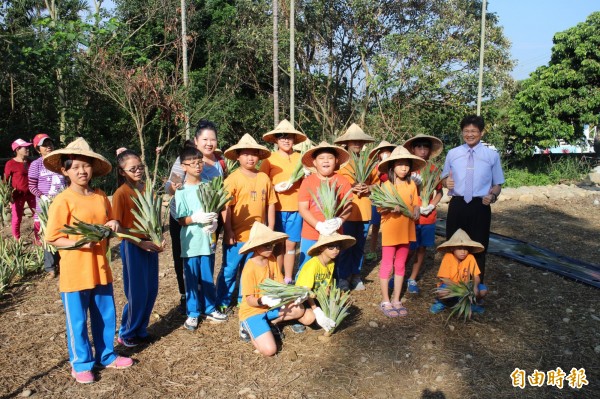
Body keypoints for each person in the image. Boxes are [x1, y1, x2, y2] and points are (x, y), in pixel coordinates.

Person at [44, 138, 133, 384]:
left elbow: (111, 221)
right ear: (65, 170)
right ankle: (81, 363)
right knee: (78, 320)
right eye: (75, 167)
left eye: (86, 166)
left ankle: (106, 355)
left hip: (100, 267)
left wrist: (113, 223)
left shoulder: (100, 196)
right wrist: (79, 243)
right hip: (75, 271)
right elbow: (52, 237)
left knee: (105, 314)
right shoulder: (63, 200)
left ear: (92, 168)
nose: (82, 171)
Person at [165, 120, 228, 313]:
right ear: (196, 140)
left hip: (208, 220)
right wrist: (174, 187)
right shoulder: (185, 159)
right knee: (183, 255)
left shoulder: (219, 164)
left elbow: (217, 193)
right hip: (183, 218)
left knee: (207, 254)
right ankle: (187, 294)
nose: (209, 143)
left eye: (213, 139)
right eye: (205, 139)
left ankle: (205, 295)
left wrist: (216, 219)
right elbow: (170, 187)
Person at [216, 134, 276, 311]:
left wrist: (270, 230)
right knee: (230, 270)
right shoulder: (232, 179)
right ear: (238, 157)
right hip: (237, 236)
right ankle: (223, 301)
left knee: (250, 270)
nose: (250, 158)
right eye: (246, 154)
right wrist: (228, 231)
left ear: (259, 156)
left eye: (254, 154)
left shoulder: (264, 178)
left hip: (258, 238)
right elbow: (225, 207)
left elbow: (271, 204)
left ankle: (245, 299)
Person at [441, 115, 504, 282]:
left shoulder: (491, 156)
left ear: (481, 133)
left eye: (474, 131)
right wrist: (446, 181)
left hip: (480, 206)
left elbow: (498, 184)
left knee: (479, 247)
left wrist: (492, 195)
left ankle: (474, 292)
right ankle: (451, 291)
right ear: (462, 132)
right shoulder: (453, 153)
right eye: (466, 131)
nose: (470, 134)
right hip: (458, 204)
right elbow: (443, 178)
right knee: (453, 246)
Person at [112, 148, 162, 346]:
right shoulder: (121, 194)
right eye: (133, 169)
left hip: (150, 245)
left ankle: (141, 329)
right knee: (136, 291)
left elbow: (155, 219)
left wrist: (158, 240)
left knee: (151, 289)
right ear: (122, 171)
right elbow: (118, 229)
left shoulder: (146, 188)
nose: (138, 171)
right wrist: (140, 242)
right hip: (133, 246)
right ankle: (127, 332)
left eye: (140, 167)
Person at [175, 146, 227, 330]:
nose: (198, 166)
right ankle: (192, 312)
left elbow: (215, 209)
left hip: (207, 240)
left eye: (200, 162)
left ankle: (210, 307)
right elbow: (181, 220)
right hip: (190, 243)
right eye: (193, 163)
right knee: (191, 277)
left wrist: (213, 223)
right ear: (183, 166)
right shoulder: (181, 191)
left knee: (207, 275)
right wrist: (195, 218)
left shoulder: (209, 185)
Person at [238, 222, 307, 356]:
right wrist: (263, 300)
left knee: (299, 309)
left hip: (271, 306)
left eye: (271, 243)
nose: (270, 247)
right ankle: (245, 326)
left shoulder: (272, 258)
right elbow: (250, 300)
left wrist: (294, 293)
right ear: (256, 247)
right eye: (266, 244)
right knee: (270, 350)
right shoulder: (249, 269)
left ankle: (269, 323)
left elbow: (280, 283)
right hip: (253, 311)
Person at [376, 146, 424, 317]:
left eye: (407, 165)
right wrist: (390, 209)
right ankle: (385, 300)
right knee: (387, 264)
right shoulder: (386, 185)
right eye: (400, 164)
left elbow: (416, 202)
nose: (404, 168)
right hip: (390, 230)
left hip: (406, 229)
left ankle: (396, 298)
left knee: (401, 264)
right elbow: (380, 209)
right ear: (392, 166)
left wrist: (417, 208)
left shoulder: (411, 184)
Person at [260, 120, 308, 283]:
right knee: (278, 245)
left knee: (291, 245)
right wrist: (274, 187)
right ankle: (277, 276)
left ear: (294, 139)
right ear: (276, 140)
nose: (286, 140)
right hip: (277, 209)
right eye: (281, 137)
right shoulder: (269, 160)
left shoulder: (301, 159)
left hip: (296, 208)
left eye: (289, 137)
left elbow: (306, 183)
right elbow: (261, 183)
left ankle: (288, 277)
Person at [297, 142, 353, 272]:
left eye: (330, 158)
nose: (326, 161)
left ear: (336, 161)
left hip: (334, 234)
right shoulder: (308, 182)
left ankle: (328, 291)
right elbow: (303, 208)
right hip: (311, 234)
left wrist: (339, 221)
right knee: (306, 267)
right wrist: (318, 225)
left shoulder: (342, 181)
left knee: (331, 269)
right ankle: (304, 291)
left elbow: (349, 205)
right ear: (314, 162)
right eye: (321, 158)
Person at [334, 123, 377, 291]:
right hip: (346, 210)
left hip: (365, 210)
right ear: (346, 143)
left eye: (359, 141)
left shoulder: (368, 161)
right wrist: (350, 187)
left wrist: (368, 188)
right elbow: (334, 183)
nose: (357, 144)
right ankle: (343, 276)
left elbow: (377, 184)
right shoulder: (340, 163)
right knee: (346, 245)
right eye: (353, 141)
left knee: (359, 245)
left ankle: (356, 275)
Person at [402, 134, 444, 294]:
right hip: (410, 216)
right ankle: (399, 274)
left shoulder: (434, 169)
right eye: (419, 146)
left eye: (425, 147)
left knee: (421, 248)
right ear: (413, 149)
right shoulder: (407, 167)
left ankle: (412, 278)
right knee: (409, 247)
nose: (422, 150)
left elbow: (439, 192)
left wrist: (432, 205)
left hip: (428, 216)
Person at [294, 233, 356, 332]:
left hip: (319, 297)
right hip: (304, 299)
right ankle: (295, 320)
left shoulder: (331, 263)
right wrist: (316, 310)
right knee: (311, 319)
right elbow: (305, 292)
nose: (335, 250)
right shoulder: (312, 265)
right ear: (322, 248)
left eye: (338, 246)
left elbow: (328, 286)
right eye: (331, 247)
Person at [27, 133, 66, 278]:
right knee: (48, 234)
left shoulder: (59, 162)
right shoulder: (36, 165)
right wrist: (43, 196)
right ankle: (50, 267)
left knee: (64, 231)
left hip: (62, 204)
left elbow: (67, 181)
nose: (49, 147)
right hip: (45, 206)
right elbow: (31, 186)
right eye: (45, 145)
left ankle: (63, 263)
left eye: (50, 143)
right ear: (38, 149)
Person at [430, 229, 488, 314]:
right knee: (443, 292)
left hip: (466, 288)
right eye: (460, 248)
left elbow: (476, 276)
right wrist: (458, 288)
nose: (463, 252)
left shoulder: (470, 257)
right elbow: (444, 278)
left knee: (483, 290)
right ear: (452, 248)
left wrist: (475, 286)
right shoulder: (448, 257)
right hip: (451, 286)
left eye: (466, 248)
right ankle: (442, 302)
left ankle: (470, 304)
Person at [365, 141, 395, 262]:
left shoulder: (395, 166)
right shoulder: (375, 167)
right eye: (382, 151)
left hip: (392, 200)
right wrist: (381, 165)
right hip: (377, 200)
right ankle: (372, 251)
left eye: (387, 151)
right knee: (375, 225)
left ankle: (390, 251)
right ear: (378, 154)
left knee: (391, 225)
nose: (385, 153)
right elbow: (374, 180)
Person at [4, 138, 36, 239]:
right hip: (17, 195)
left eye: (28, 147)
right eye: (25, 147)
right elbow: (6, 181)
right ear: (17, 150)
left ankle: (38, 238)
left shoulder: (31, 162)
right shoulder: (10, 164)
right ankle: (16, 240)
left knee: (38, 215)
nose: (27, 149)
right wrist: (8, 197)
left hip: (32, 194)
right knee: (17, 218)